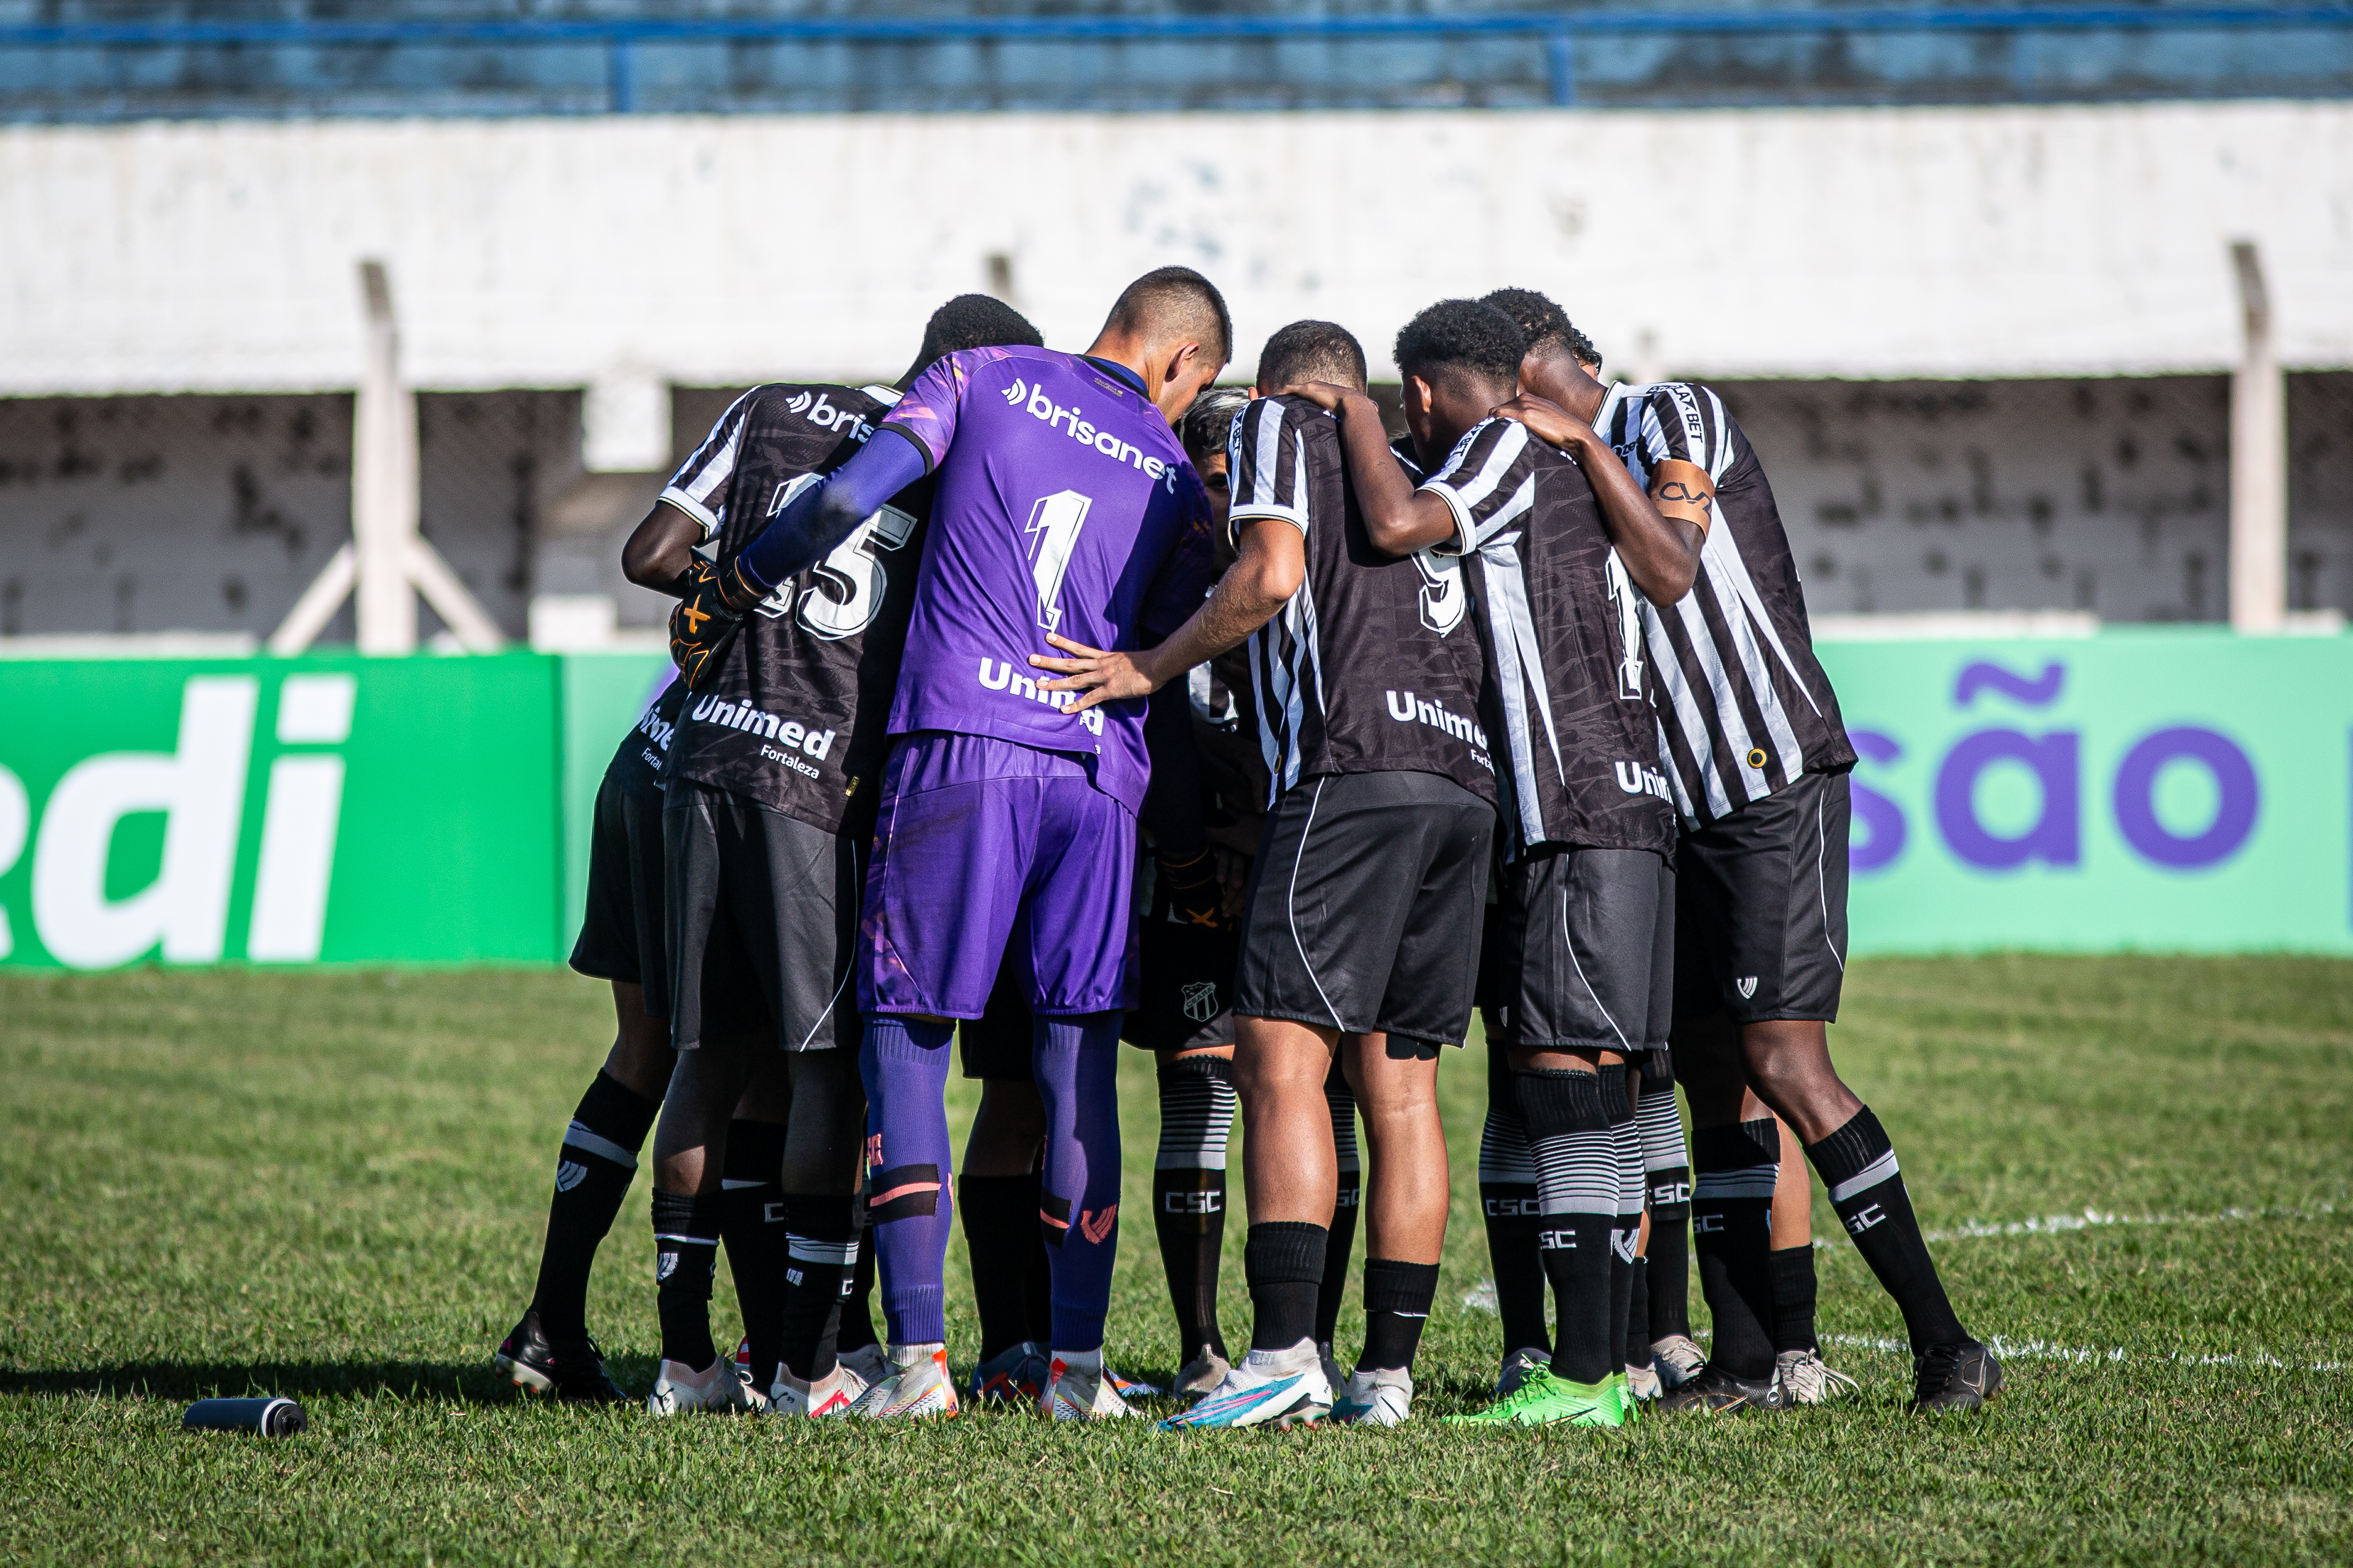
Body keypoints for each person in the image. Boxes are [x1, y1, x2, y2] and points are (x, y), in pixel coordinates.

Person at [718, 266, 1228, 1421]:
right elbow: (1199, 629)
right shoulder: (1172, 476)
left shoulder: (979, 374)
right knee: (1074, 1058)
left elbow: (848, 503)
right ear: (1183, 363)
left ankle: (918, 1370)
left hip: (962, 745)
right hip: (1097, 771)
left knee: (908, 1037)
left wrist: (744, 577)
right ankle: (1077, 1372)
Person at [1485, 289, 1999, 1413]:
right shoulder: (1557, 472)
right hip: (1682, 809)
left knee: (1784, 1060)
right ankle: (1747, 1355)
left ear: (1550, 367)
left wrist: (1576, 437)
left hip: (1771, 779)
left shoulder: (1669, 415)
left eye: (1509, 384)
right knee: (1716, 1078)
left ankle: (1945, 1341)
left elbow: (1673, 558)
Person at [1037, 319, 1497, 1430]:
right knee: (1401, 1087)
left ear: (1274, 387)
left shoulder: (1287, 423)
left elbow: (1274, 571)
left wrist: (1149, 663)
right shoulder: (1432, 466)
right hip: (1461, 784)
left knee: (1278, 1060)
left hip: (1348, 775)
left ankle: (1286, 1351)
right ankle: (1383, 1376)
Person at [636, 294, 1050, 1419]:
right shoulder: (953, 468)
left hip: (705, 757)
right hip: (821, 787)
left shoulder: (766, 405)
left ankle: (685, 1362)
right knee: (824, 1067)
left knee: (705, 1058)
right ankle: (810, 1371)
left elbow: (651, 554)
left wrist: (741, 617)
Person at [952, 387, 1257, 1409]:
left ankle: (1200, 1345)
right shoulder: (1145, 534)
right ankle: (1012, 1344)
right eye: (1214, 484)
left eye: (1240, 489)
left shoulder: (1276, 573)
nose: (1226, 508)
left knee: (1198, 1082)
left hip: (1174, 862)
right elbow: (1147, 708)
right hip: (1061, 830)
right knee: (1021, 1092)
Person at [492, 673, 698, 1404]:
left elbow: (653, 556)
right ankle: (773, 1352)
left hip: (645, 757)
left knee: (642, 1055)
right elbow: (648, 553)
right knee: (758, 1068)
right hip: (724, 776)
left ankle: (549, 1329)